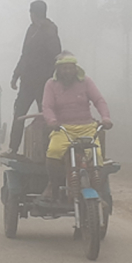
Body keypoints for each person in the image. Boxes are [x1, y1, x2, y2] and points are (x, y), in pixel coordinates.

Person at [41, 52, 113, 201]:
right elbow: (47, 106)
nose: (67, 71)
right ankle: (53, 185)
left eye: (70, 68)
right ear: (58, 70)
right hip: (63, 129)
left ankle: (97, 189)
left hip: (87, 127)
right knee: (53, 151)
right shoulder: (51, 84)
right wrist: (52, 121)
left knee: (97, 156)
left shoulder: (86, 81)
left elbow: (99, 100)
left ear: (76, 69)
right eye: (64, 68)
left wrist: (105, 118)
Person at [0, 0, 61, 158]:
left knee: (46, 115)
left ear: (33, 13)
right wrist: (16, 75)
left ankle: (49, 150)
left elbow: (56, 56)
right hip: (27, 82)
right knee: (19, 113)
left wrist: (55, 79)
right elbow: (25, 55)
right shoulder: (32, 29)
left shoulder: (50, 30)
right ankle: (13, 148)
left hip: (43, 83)